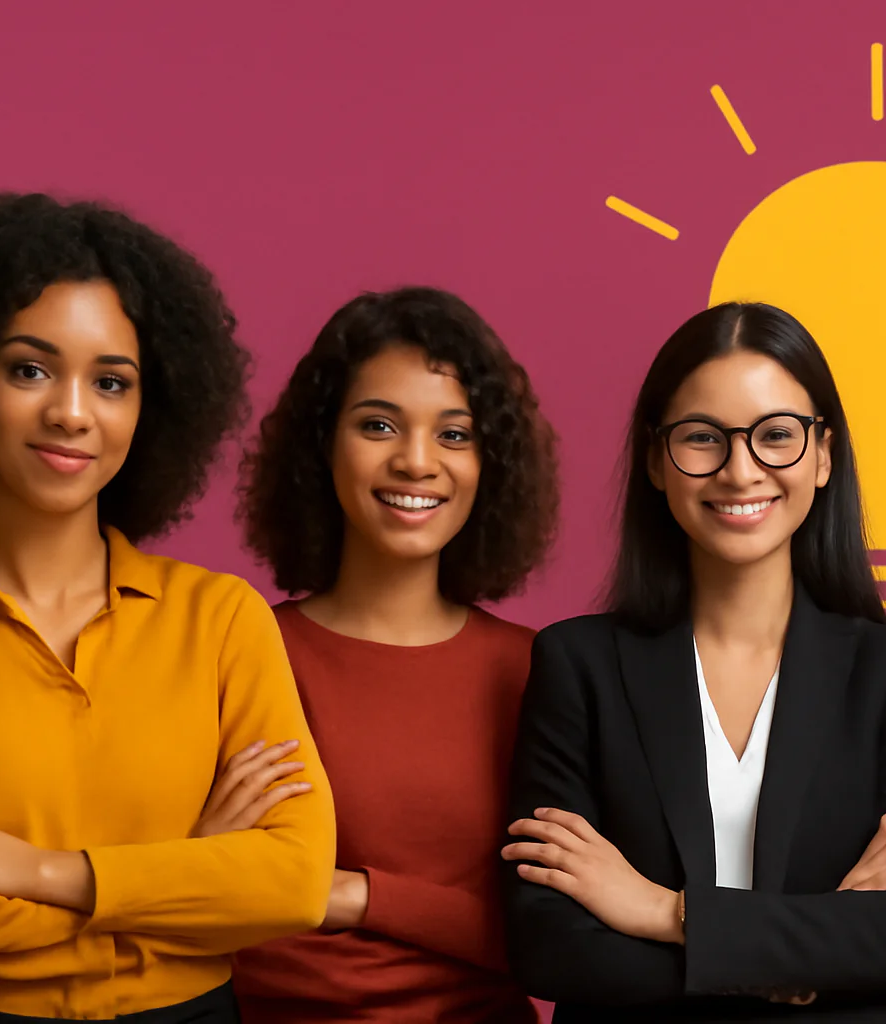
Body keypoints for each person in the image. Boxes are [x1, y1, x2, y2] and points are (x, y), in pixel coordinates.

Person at [0, 192, 337, 1023]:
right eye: (29, 368)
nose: (71, 411)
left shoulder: (223, 617)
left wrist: (30, 870)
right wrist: (186, 876)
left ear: (150, 408)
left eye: (113, 381)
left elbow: (296, 886)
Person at [500, 302, 886, 1022]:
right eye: (702, 439)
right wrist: (810, 947)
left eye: (776, 436)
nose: (740, 469)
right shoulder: (579, 665)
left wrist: (664, 911)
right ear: (658, 460)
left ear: (824, 456)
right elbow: (551, 944)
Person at [231, 287, 560, 1023]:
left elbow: (558, 937)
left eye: (453, 434)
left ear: (490, 462)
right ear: (323, 444)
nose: (415, 462)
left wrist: (350, 894)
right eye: (378, 425)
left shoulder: (535, 671)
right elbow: (199, 900)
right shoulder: (240, 647)